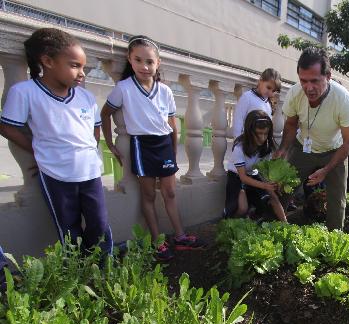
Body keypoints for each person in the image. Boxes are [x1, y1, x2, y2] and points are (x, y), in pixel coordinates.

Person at [0, 28, 113, 255]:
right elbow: (7, 126)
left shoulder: (86, 97)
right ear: (48, 61)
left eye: (83, 67)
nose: (82, 73)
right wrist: (35, 148)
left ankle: (101, 266)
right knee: (68, 227)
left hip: (90, 172)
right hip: (56, 174)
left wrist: (90, 152)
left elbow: (95, 129)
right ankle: (77, 271)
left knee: (99, 224)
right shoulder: (25, 92)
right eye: (74, 65)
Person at [100, 35, 203, 261]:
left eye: (149, 62)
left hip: (164, 144)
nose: (144, 67)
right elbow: (105, 114)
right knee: (148, 195)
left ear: (158, 63)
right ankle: (158, 242)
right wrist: (109, 142)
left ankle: (180, 236)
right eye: (138, 60)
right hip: (142, 145)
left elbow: (172, 124)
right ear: (130, 59)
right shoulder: (124, 88)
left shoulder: (164, 91)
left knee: (170, 192)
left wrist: (173, 149)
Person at [275, 47, 349, 230]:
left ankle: (334, 244)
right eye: (303, 81)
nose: (308, 88)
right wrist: (283, 149)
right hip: (303, 146)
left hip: (334, 151)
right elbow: (290, 125)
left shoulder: (343, 99)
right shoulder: (295, 94)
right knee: (283, 189)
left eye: (314, 81)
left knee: (337, 201)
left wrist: (327, 169)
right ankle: (274, 230)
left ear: (328, 76)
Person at [224, 110, 286, 222]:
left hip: (253, 174)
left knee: (273, 197)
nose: (262, 138)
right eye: (258, 134)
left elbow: (264, 169)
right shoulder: (239, 147)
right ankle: (231, 223)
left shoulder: (266, 146)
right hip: (237, 176)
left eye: (265, 134)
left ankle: (286, 224)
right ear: (249, 132)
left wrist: (273, 182)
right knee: (242, 208)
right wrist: (265, 185)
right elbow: (243, 177)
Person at [231, 68, 281, 138]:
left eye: (273, 91)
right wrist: (238, 142)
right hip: (247, 143)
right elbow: (238, 121)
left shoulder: (268, 103)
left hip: (261, 145)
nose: (270, 92)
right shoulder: (247, 97)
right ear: (260, 81)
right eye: (268, 87)